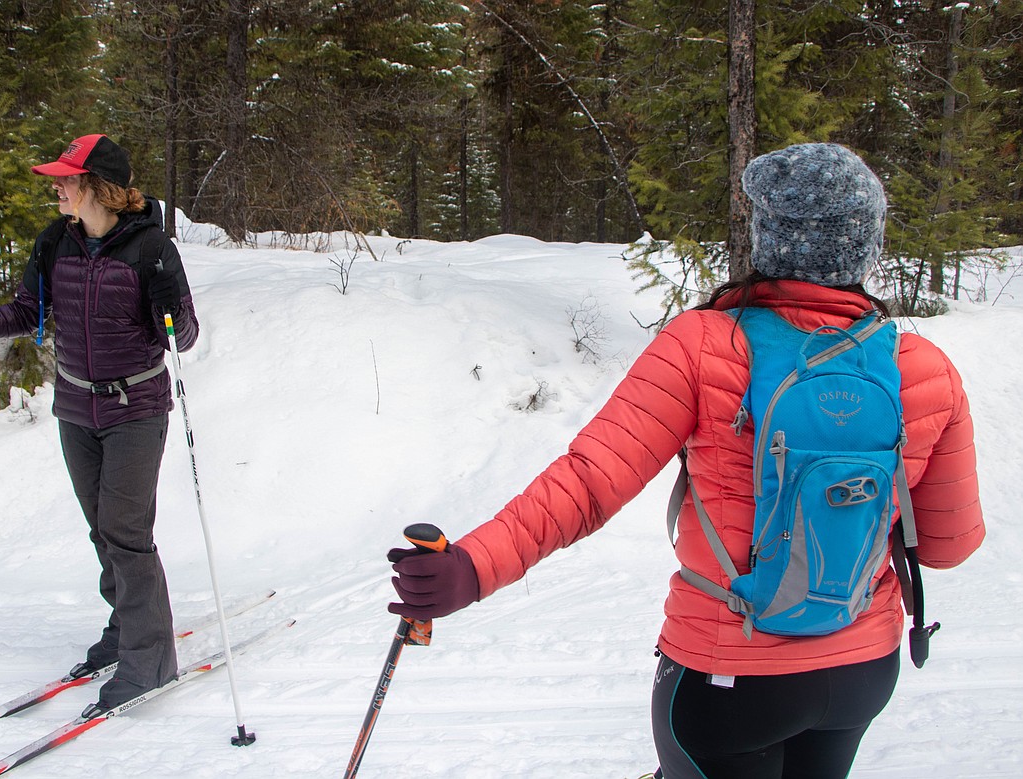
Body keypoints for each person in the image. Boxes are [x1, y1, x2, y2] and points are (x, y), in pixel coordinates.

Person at [386, 143, 984, 778]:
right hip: (861, 667)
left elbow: (591, 481)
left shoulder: (703, 345)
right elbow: (947, 545)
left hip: (731, 675)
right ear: (866, 245)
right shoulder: (922, 368)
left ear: (768, 237)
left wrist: (474, 566)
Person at [0, 133, 199, 714]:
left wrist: (170, 302)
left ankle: (150, 660)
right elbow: (26, 312)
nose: (57, 186)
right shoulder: (55, 242)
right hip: (74, 406)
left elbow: (184, 338)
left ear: (97, 186)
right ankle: (125, 629)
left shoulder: (151, 250)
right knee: (102, 528)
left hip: (135, 408)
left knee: (126, 531)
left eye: (67, 178)